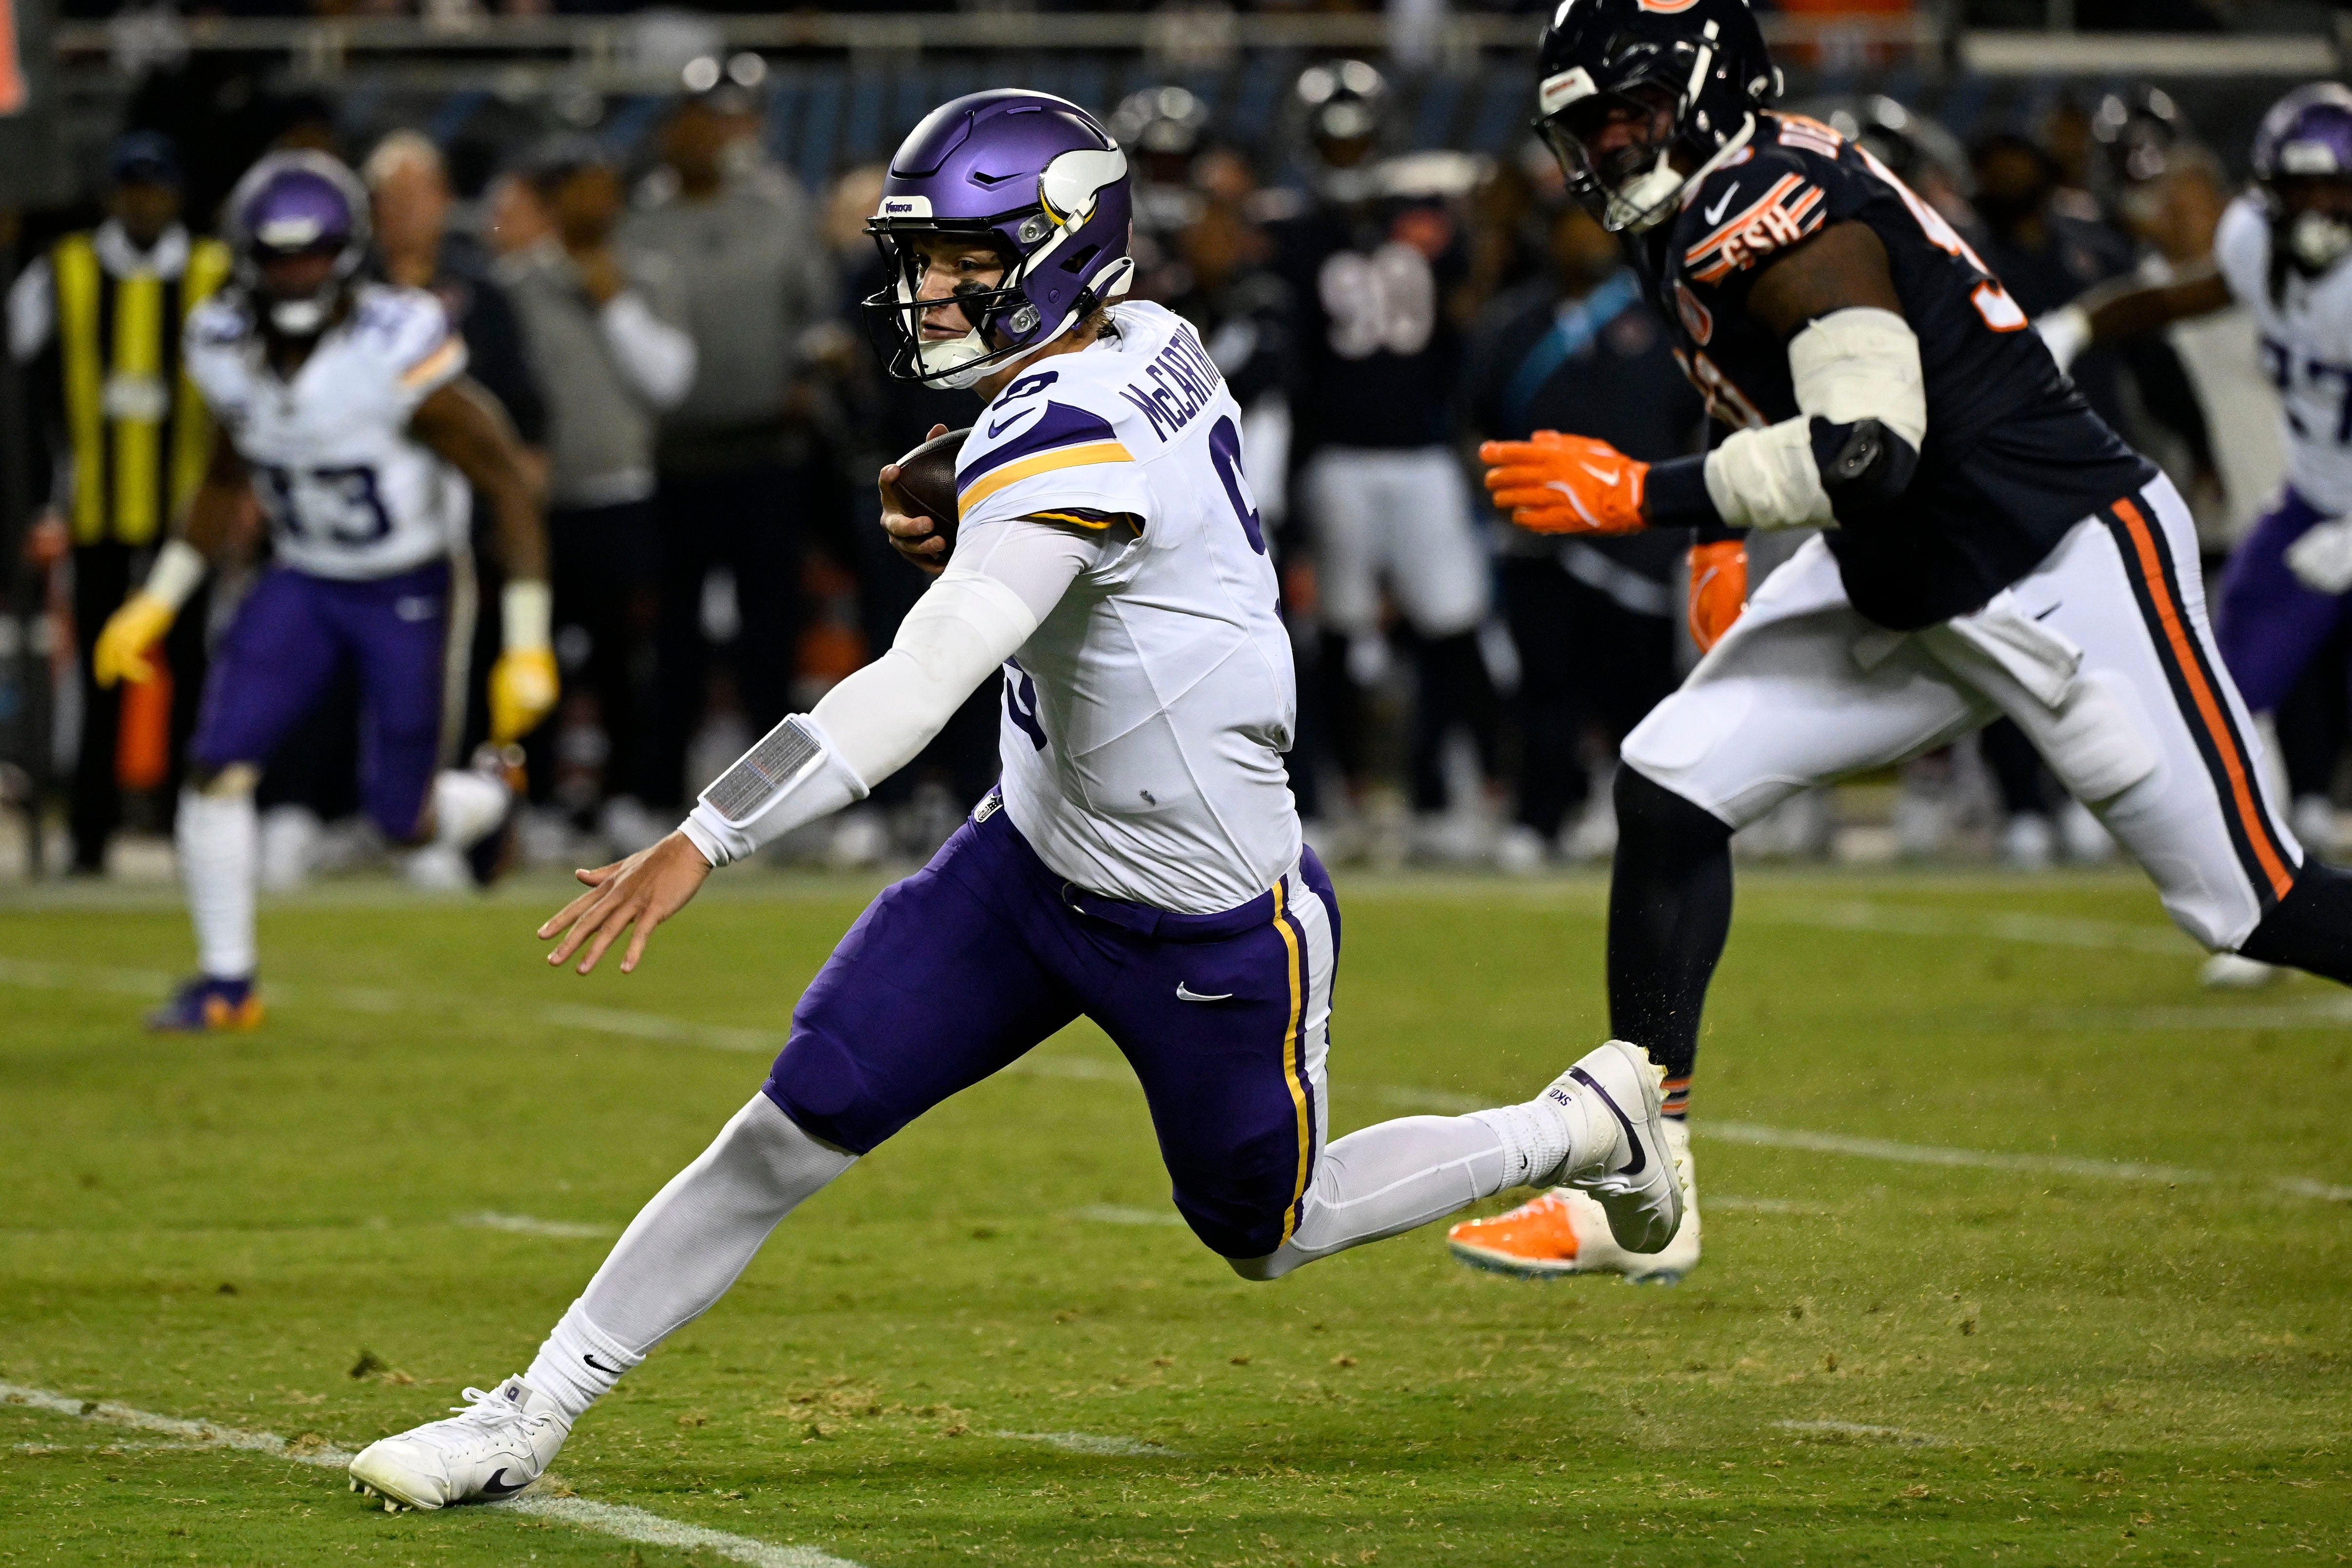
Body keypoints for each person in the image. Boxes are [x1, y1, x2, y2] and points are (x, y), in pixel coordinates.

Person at [342, 90, 1684, 1511]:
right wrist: (965, 482)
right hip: (1027, 866)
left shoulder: (1066, 432)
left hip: (1207, 919)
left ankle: (1582, 1122)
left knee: (1268, 1232)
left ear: (1058, 248)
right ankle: (528, 1413)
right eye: (921, 257)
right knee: (785, 1129)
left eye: (963, 261)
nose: (925, 290)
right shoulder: (1146, 335)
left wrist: (705, 835)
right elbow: (1090, 490)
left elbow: (917, 688)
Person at [1472, 0, 2352, 1281]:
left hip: (2053, 563)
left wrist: (1644, 496)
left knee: (2250, 901)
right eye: (1586, 127)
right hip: (1900, 573)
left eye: (1629, 114)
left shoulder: (1773, 209)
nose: (1607, 148)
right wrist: (1725, 536)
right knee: (1668, 790)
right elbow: (1775, 392)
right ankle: (1641, 1181)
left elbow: (1867, 449)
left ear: (1708, 92)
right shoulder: (1702, 198)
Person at [90, 152, 558, 1031]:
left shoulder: (397, 344)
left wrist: (527, 639)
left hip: (407, 582)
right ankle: (228, 982)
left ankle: (491, 798)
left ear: (347, 252)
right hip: (303, 576)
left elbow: (504, 480)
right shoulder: (224, 341)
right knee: (216, 764)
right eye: (277, 256)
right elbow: (226, 478)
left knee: (401, 821)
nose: (295, 273)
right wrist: (158, 599)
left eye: (313, 253)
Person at [2042, 82, 2352, 986]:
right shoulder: (2256, 242)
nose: (2315, 211)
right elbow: (2191, 294)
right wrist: (2079, 322)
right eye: (2298, 192)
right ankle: (2273, 903)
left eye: (2333, 191)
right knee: (2225, 694)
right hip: (2309, 499)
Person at [1269, 60, 1506, 860]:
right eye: (1335, 146)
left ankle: (1454, 789)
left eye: (1358, 144)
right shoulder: (1295, 235)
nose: (1347, 157)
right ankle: (1341, 796)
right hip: (1335, 457)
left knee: (1452, 625)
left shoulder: (1428, 224)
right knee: (1337, 632)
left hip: (1420, 452)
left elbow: (1471, 316)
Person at [8, 132, 229, 875]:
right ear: (113, 194)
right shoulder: (62, 272)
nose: (145, 202)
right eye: (134, 187)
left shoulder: (214, 273)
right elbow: (16, 387)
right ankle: (91, 835)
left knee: (192, 671)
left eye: (157, 187)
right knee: (104, 676)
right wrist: (38, 496)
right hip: (95, 509)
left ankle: (185, 827)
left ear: (175, 195)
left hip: (188, 514)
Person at [623, 79, 838, 827]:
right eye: (691, 123)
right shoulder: (639, 220)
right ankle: (655, 799)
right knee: (672, 641)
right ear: (668, 132)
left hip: (766, 454)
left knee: (768, 644)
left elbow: (821, 315)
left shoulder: (777, 206)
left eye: (715, 124)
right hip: (672, 461)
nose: (704, 138)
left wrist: (810, 370)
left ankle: (773, 804)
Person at [497, 140, 696, 841]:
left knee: (625, 664)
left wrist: (614, 303)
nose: (600, 203)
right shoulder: (517, 286)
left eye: (608, 188)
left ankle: (624, 798)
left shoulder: (644, 276)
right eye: (584, 189)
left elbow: (670, 382)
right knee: (536, 655)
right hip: (541, 506)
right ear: (554, 203)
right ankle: (542, 800)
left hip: (624, 496)